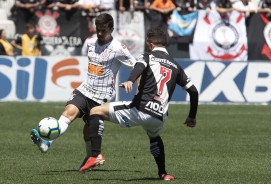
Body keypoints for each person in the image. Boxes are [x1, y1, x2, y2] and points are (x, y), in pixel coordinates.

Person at [79, 28, 199, 180]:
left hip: (141, 108)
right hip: (160, 115)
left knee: (95, 111)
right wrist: (192, 117)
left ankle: (95, 154)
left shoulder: (148, 56)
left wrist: (130, 80)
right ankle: (163, 173)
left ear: (150, 44)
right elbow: (194, 91)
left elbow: (138, 67)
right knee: (154, 137)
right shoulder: (176, 65)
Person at [30, 13, 137, 168]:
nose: (99, 33)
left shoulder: (118, 49)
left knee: (87, 133)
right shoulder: (90, 42)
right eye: (98, 29)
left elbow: (137, 66)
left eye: (103, 31)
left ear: (112, 29)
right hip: (85, 88)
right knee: (68, 112)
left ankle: (91, 156)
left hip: (102, 96)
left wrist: (131, 81)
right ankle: (48, 142)